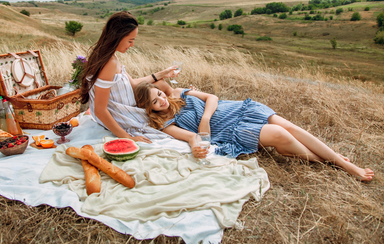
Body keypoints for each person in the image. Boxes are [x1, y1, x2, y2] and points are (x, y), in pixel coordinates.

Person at [134, 82, 374, 181]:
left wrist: (205, 117)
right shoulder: (166, 125)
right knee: (281, 136)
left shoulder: (180, 94)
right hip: (231, 131)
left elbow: (212, 97)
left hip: (238, 109)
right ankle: (332, 161)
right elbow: (191, 137)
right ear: (148, 108)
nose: (162, 101)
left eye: (160, 95)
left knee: (289, 126)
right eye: (155, 102)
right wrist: (197, 144)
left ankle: (346, 165)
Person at [81, 11, 177, 143]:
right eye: (130, 41)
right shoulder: (109, 63)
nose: (132, 45)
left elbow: (133, 84)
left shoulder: (109, 55)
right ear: (117, 37)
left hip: (129, 105)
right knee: (168, 118)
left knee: (160, 83)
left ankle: (187, 109)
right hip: (123, 114)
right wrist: (129, 137)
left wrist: (162, 73)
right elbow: (99, 110)